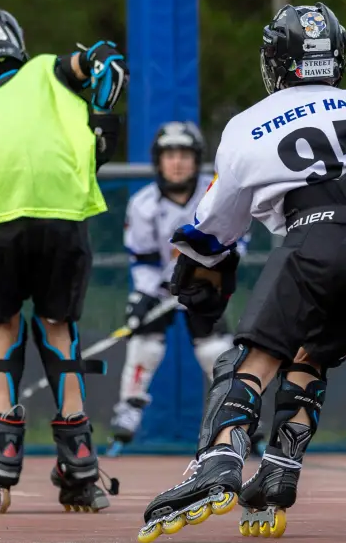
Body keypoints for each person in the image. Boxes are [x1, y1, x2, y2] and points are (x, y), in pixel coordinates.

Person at [136, 3, 346, 543]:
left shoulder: (249, 123)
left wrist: (199, 269)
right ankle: (278, 474)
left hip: (314, 235)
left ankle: (218, 462)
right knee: (310, 355)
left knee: (250, 356)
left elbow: (212, 224)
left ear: (275, 62)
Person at [0, 9, 127, 513]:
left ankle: (3, 453)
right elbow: (88, 65)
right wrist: (99, 75)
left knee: (3, 329)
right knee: (58, 326)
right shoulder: (46, 69)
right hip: (61, 217)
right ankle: (80, 458)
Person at [107, 121, 253, 457]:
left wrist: (206, 275)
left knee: (215, 349)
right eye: (169, 155)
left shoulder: (215, 194)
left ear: (196, 159)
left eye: (184, 155)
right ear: (158, 161)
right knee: (144, 341)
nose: (177, 163)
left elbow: (237, 241)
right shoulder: (143, 204)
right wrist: (142, 296)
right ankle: (129, 406)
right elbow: (143, 260)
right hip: (161, 288)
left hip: (205, 283)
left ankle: (237, 417)